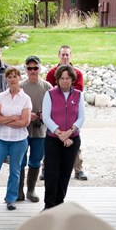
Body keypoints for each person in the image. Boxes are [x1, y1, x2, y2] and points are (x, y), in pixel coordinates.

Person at [0, 66, 32, 214]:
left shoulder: (26, 99)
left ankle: (11, 199)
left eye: (15, 76)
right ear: (6, 79)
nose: (12, 79)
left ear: (19, 78)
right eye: (9, 76)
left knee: (15, 170)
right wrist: (13, 117)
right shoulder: (0, 97)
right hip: (1, 139)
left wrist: (5, 120)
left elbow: (25, 122)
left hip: (19, 140)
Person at [41, 64, 85, 209]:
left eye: (67, 78)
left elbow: (81, 118)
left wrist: (69, 133)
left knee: (65, 173)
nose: (65, 81)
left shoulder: (79, 95)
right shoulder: (50, 94)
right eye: (62, 78)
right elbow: (46, 117)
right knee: (51, 173)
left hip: (72, 139)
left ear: (72, 79)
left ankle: (59, 205)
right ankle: (49, 206)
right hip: (53, 139)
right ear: (57, 80)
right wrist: (60, 134)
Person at [45, 45, 87, 181]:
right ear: (58, 56)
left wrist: (68, 132)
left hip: (71, 117)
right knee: (50, 144)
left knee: (75, 146)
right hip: (55, 116)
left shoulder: (78, 73)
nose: (65, 57)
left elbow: (78, 89)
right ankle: (45, 168)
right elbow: (50, 89)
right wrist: (60, 134)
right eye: (62, 55)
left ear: (71, 56)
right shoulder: (52, 72)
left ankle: (78, 169)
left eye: (67, 55)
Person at [18, 56, 51, 204]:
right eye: (29, 68)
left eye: (35, 68)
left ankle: (31, 190)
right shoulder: (19, 87)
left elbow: (53, 109)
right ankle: (18, 190)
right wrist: (26, 115)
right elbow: (10, 108)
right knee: (20, 160)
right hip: (21, 131)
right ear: (25, 69)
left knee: (36, 160)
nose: (32, 71)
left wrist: (42, 115)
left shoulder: (47, 87)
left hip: (40, 131)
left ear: (40, 68)